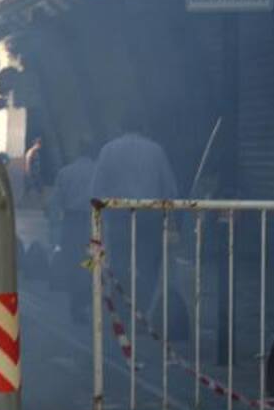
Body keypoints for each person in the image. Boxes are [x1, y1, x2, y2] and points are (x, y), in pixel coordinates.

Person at [90, 111, 178, 313]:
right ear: (143, 128)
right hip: (150, 217)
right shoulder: (156, 150)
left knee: (120, 262)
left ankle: (121, 304)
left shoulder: (108, 150)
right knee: (148, 266)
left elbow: (96, 188)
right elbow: (170, 189)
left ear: (120, 128)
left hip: (119, 216)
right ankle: (142, 310)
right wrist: (170, 218)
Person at [49, 139, 96, 321]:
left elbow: (56, 202)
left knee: (73, 261)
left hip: (71, 221)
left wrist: (54, 226)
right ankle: (85, 298)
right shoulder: (98, 170)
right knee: (91, 261)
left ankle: (76, 303)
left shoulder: (65, 172)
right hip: (93, 222)